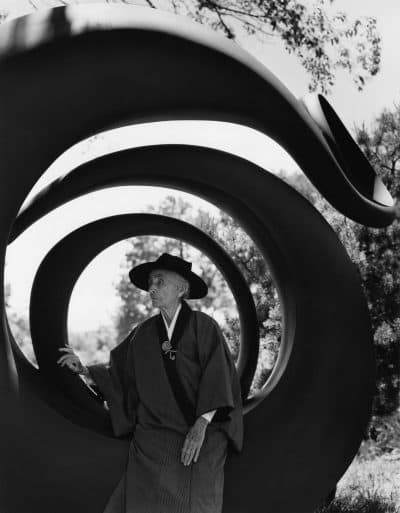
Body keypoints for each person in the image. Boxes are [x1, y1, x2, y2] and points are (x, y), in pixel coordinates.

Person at [57, 253, 243, 513]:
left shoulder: (205, 327)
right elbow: (118, 374)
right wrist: (85, 370)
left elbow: (220, 378)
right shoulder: (142, 334)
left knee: (196, 499)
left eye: (159, 281)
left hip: (202, 432)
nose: (152, 288)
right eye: (150, 283)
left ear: (182, 288)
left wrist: (201, 424)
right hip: (156, 435)